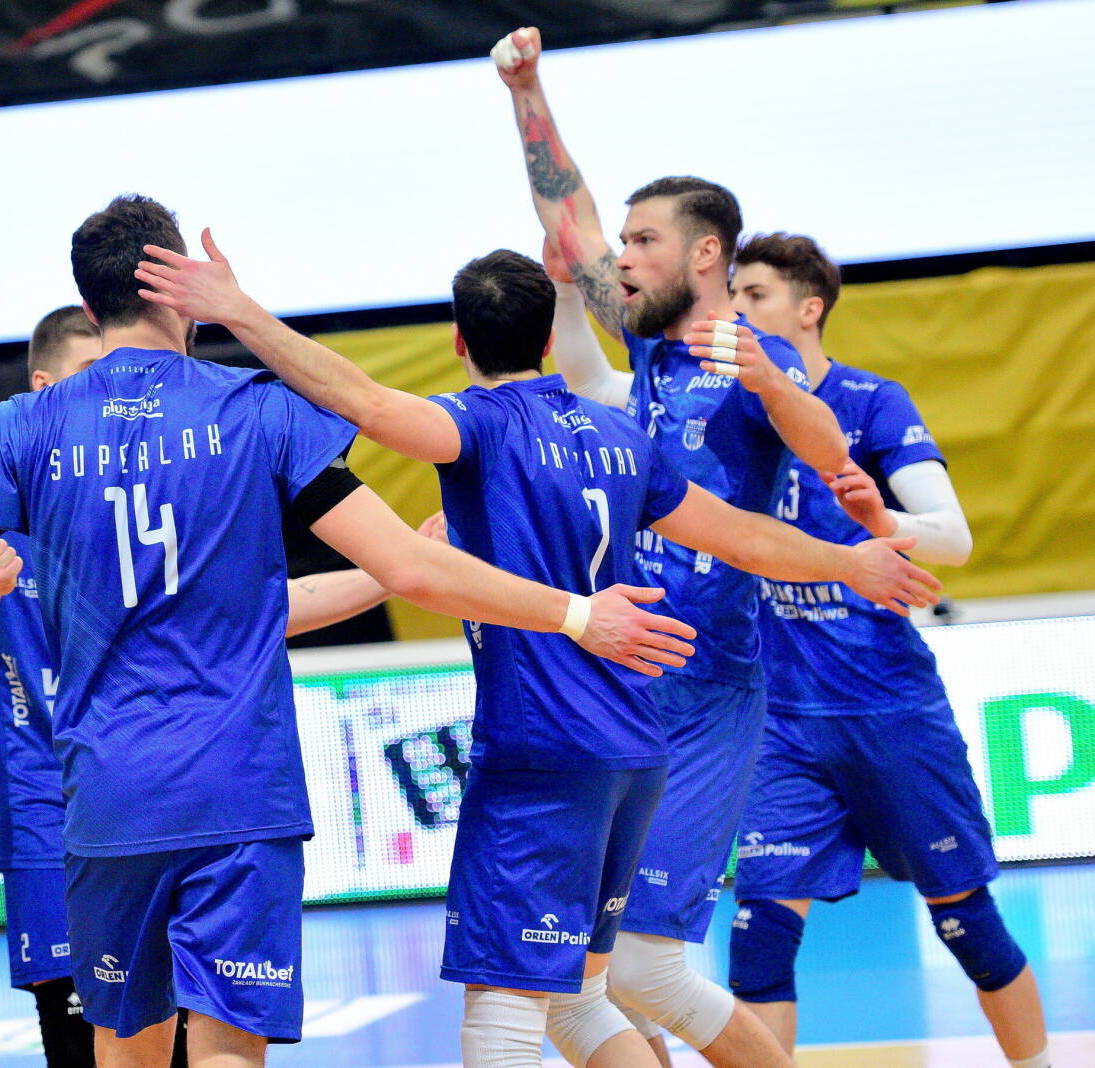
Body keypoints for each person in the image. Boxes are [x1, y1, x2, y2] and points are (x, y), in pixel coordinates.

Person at [0, 195, 696, 1068]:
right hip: (242, 793)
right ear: (178, 289)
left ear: (91, 302)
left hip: (110, 794)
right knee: (230, 1051)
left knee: (124, 1052)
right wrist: (578, 613)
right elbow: (410, 567)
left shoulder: (25, 427)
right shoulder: (256, 407)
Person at [131, 239, 941, 1068]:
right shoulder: (620, 436)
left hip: (540, 753)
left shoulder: (477, 425)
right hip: (633, 753)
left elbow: (364, 402)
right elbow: (739, 536)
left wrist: (238, 312)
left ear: (458, 340)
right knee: (582, 1003)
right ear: (550, 342)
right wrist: (848, 562)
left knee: (502, 1023)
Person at [491, 27, 854, 1066]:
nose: (622, 256)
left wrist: (769, 379)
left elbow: (827, 452)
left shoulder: (762, 355)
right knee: (572, 976)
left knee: (646, 970)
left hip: (706, 688)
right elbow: (567, 223)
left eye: (643, 240)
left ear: (704, 254)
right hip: (618, 671)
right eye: (625, 240)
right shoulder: (651, 343)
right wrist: (526, 92)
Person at [0, 305, 415, 1068]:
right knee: (102, 1043)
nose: (122, 397)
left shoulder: (161, 490)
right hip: (55, 817)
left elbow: (264, 609)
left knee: (185, 1040)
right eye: (94, 376)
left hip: (168, 789)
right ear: (45, 388)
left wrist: (392, 572)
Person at [724, 233, 1053, 1068]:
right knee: (758, 937)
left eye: (755, 295)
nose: (737, 312)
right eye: (732, 296)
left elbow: (955, 540)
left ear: (809, 309)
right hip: (780, 720)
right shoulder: (723, 410)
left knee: (967, 923)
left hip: (887, 706)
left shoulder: (870, 402)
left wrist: (883, 522)